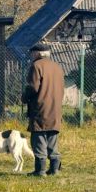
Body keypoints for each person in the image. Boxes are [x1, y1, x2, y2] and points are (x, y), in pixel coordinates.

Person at [21, 42, 65, 177]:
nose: (31, 55)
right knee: (52, 137)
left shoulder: (36, 66)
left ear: (38, 53)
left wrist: (24, 97)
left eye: (32, 53)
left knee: (38, 138)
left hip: (40, 107)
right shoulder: (57, 67)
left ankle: (40, 170)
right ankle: (55, 169)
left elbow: (33, 87)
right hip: (56, 108)